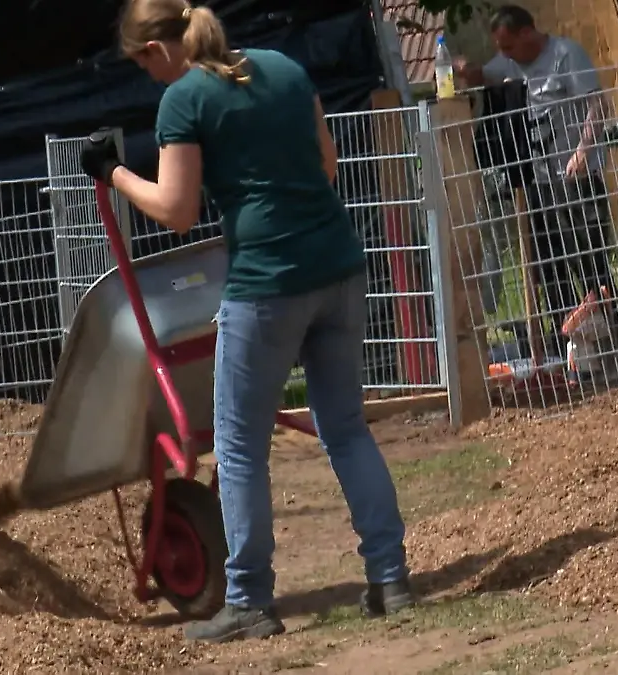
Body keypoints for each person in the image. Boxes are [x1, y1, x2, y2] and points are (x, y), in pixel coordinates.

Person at [78, 0, 414, 644]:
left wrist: (114, 173)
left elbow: (177, 211)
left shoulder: (183, 98)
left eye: (143, 63)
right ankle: (390, 577)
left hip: (266, 285)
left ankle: (249, 600)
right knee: (346, 429)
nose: (148, 76)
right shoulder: (283, 68)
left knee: (237, 447)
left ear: (157, 50)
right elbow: (326, 166)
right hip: (338, 268)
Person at [457, 4, 618, 357]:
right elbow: (486, 76)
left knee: (588, 260)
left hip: (576, 178)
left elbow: (598, 105)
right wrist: (464, 70)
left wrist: (582, 151)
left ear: (527, 33)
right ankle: (566, 344)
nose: (504, 54)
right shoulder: (510, 63)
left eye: (508, 45)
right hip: (538, 182)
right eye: (500, 49)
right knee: (548, 264)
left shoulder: (565, 54)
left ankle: (613, 336)